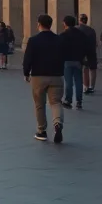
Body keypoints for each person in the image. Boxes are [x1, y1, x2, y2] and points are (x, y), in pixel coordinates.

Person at [23, 14, 66, 143]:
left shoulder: (33, 40)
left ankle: (41, 131)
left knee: (39, 104)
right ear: (50, 25)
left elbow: (28, 58)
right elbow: (63, 56)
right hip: (56, 75)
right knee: (56, 102)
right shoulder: (59, 40)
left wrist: (26, 73)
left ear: (39, 24)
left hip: (38, 75)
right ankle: (57, 123)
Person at [60, 15, 92, 109]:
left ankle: (68, 100)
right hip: (78, 60)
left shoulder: (63, 35)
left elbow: (59, 48)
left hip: (67, 60)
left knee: (68, 82)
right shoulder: (81, 34)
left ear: (65, 23)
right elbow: (86, 47)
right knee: (78, 81)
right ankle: (79, 101)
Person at [78, 14, 98, 94]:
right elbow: (95, 42)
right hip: (92, 51)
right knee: (93, 69)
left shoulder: (78, 29)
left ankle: (85, 86)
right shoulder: (92, 30)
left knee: (84, 69)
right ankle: (92, 87)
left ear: (80, 20)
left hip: (82, 51)